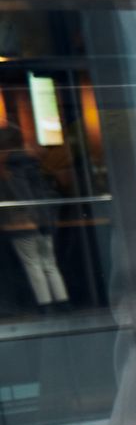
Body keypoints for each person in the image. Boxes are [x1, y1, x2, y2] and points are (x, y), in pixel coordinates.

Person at [0, 124, 69, 311]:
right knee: (49, 262)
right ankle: (63, 301)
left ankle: (45, 304)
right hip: (46, 219)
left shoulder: (9, 168)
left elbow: (20, 194)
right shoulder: (33, 164)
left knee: (32, 263)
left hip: (22, 222)